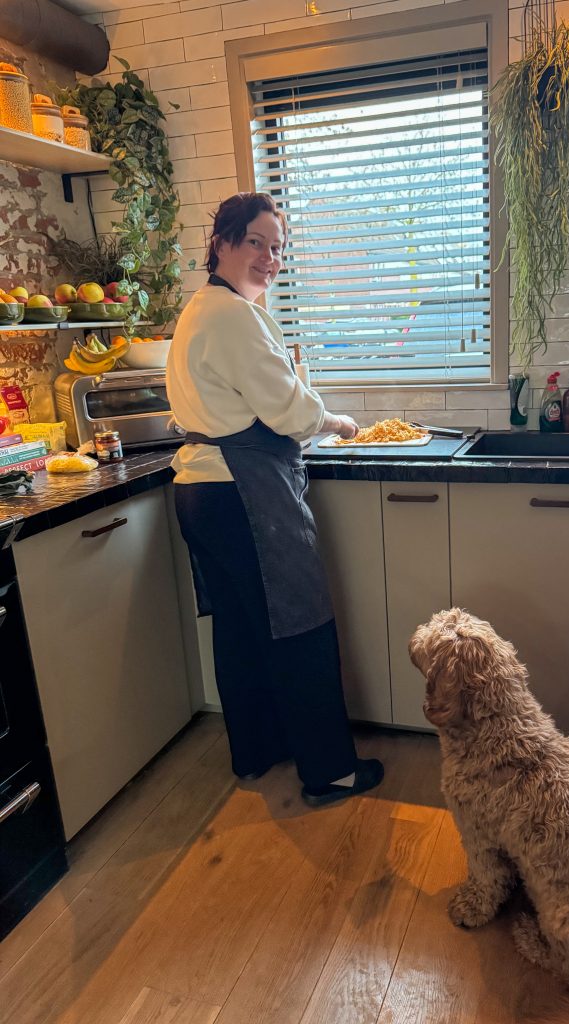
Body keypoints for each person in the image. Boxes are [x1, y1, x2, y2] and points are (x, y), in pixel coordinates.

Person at [167, 191, 384, 807]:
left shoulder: (203, 310)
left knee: (239, 631)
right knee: (299, 625)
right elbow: (289, 412)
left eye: (277, 247)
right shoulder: (232, 316)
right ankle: (330, 772)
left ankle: (256, 751)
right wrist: (337, 422)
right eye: (256, 242)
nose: (269, 257)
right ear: (222, 243)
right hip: (244, 495)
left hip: (201, 493)